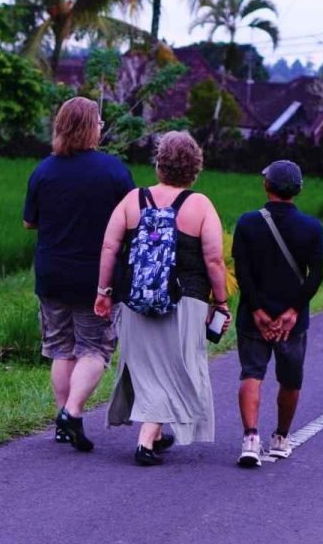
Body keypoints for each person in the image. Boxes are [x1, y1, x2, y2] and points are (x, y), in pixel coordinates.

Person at [95, 131, 231, 466]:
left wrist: (103, 292)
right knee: (176, 368)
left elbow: (110, 247)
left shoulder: (132, 200)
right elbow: (213, 260)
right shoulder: (199, 205)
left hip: (135, 299)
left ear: (159, 165)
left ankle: (154, 436)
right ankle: (145, 440)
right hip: (186, 300)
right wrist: (221, 302)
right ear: (194, 169)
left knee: (147, 368)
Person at [23, 97, 134, 453]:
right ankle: (71, 412)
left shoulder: (44, 170)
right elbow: (132, 220)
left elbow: (30, 221)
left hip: (52, 274)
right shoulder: (114, 171)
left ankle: (63, 417)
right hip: (96, 276)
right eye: (99, 121)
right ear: (90, 127)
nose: (102, 126)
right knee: (95, 348)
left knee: (61, 348)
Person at [231, 160, 323, 468]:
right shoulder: (312, 228)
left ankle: (250, 439)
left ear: (266, 186)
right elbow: (316, 276)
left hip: (253, 316)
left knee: (251, 373)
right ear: (297, 190)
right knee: (290, 379)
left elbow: (242, 271)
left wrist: (258, 309)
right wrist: (292, 311)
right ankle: (281, 438)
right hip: (293, 323)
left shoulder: (247, 223)